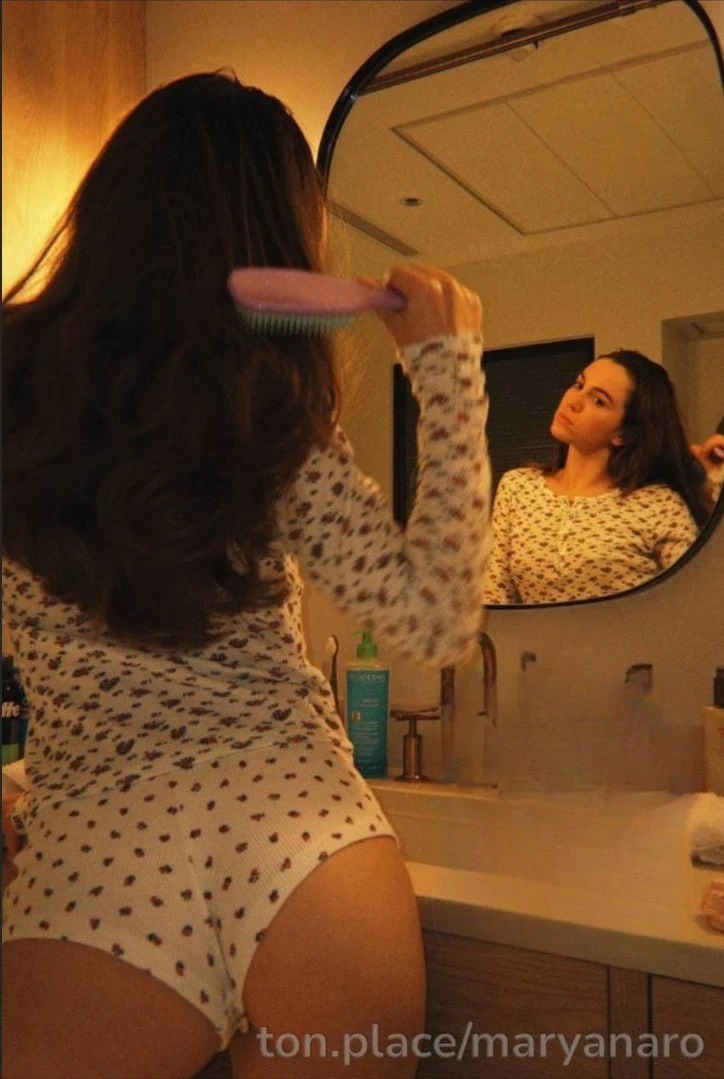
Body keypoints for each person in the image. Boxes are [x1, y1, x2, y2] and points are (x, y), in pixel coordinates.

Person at [1, 72, 491, 1078]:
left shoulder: (12, 389)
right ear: (276, 234)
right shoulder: (267, 406)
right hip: (302, 834)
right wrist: (447, 370)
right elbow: (437, 619)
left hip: (103, 852)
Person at [484, 350, 710, 605]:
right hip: (531, 633)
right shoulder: (518, 488)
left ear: (623, 434)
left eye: (598, 401)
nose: (574, 401)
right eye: (579, 385)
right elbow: (495, 596)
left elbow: (698, 603)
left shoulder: (658, 505)